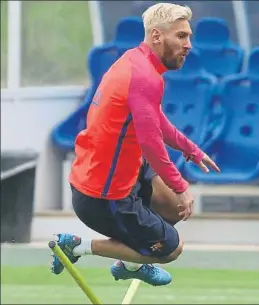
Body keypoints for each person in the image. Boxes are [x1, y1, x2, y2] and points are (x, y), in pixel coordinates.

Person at [50, 2, 220, 286]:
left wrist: (191, 149)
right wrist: (181, 185)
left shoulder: (137, 61)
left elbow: (156, 122)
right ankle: (74, 246)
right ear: (156, 36)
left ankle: (130, 264)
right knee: (170, 249)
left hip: (117, 171)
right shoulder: (144, 76)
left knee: (174, 208)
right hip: (102, 195)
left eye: (189, 36)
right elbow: (151, 143)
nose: (188, 45)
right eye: (181, 36)